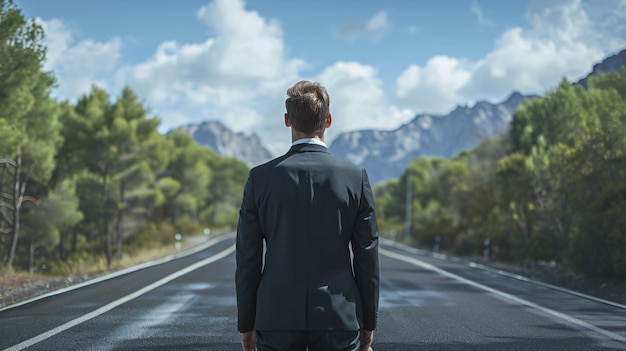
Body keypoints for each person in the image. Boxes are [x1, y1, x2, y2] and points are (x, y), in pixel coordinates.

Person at [236, 80, 380, 351]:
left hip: (275, 317)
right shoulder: (354, 178)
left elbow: (247, 257)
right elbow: (367, 257)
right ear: (328, 120)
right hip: (339, 317)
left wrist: (246, 324)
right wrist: (368, 324)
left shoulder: (260, 179)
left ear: (287, 120)